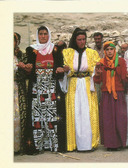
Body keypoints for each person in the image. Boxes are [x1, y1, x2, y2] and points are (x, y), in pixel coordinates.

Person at [24, 26, 67, 154]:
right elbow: (29, 70)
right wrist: (28, 68)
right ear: (37, 36)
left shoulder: (55, 49)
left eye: (45, 34)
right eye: (41, 34)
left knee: (52, 116)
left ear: (49, 35)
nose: (43, 36)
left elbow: (59, 67)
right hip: (37, 88)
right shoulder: (31, 50)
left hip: (51, 88)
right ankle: (38, 145)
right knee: (37, 117)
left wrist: (61, 70)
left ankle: (54, 145)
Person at [62, 28, 100, 152]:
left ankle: (88, 144)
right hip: (73, 84)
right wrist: (66, 70)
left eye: (84, 39)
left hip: (87, 84)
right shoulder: (67, 53)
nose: (82, 42)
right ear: (75, 40)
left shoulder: (92, 53)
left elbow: (96, 68)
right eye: (79, 39)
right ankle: (75, 144)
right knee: (75, 112)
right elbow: (64, 69)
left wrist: (97, 71)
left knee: (87, 113)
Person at [94, 41, 128, 151]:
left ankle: (119, 143)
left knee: (120, 118)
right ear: (105, 51)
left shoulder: (121, 61)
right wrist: (98, 74)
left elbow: (124, 78)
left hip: (118, 93)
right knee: (108, 119)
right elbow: (97, 81)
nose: (110, 52)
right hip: (106, 94)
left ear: (115, 50)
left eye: (111, 49)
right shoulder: (101, 63)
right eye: (107, 49)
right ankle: (110, 144)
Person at [14, 32, 27, 154]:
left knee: (19, 117)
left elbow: (26, 74)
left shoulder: (21, 55)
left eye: (14, 40)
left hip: (17, 89)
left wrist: (23, 68)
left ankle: (18, 146)